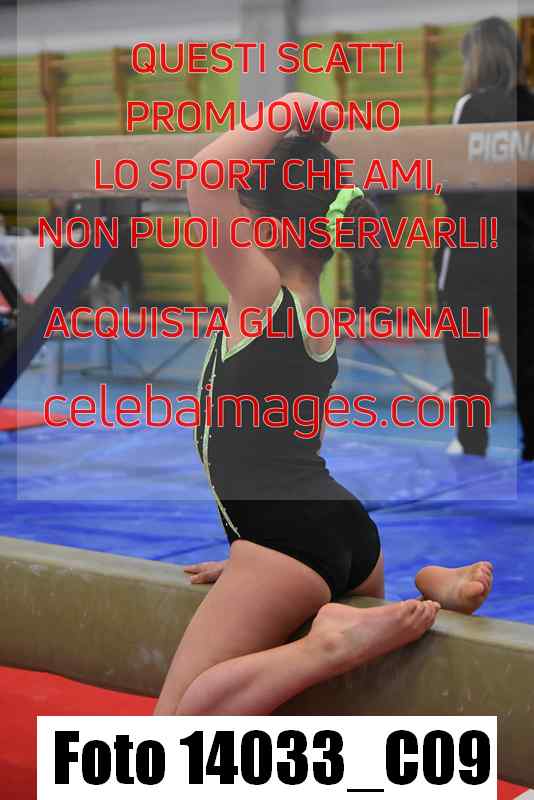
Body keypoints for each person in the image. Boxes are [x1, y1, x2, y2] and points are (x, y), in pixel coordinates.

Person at [154, 92, 494, 716]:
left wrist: (289, 108)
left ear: (267, 223)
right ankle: (428, 586)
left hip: (284, 542)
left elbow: (204, 175)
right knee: (300, 711)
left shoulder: (261, 294)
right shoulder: (315, 310)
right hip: (347, 538)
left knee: (182, 722)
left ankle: (326, 643)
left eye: (244, 212)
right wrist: (248, 569)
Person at [437, 17, 534, 460]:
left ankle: (472, 440)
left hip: (473, 249)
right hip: (523, 250)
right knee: (525, 352)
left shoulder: (470, 106)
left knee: (466, 353)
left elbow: (452, 183)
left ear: (478, 59)